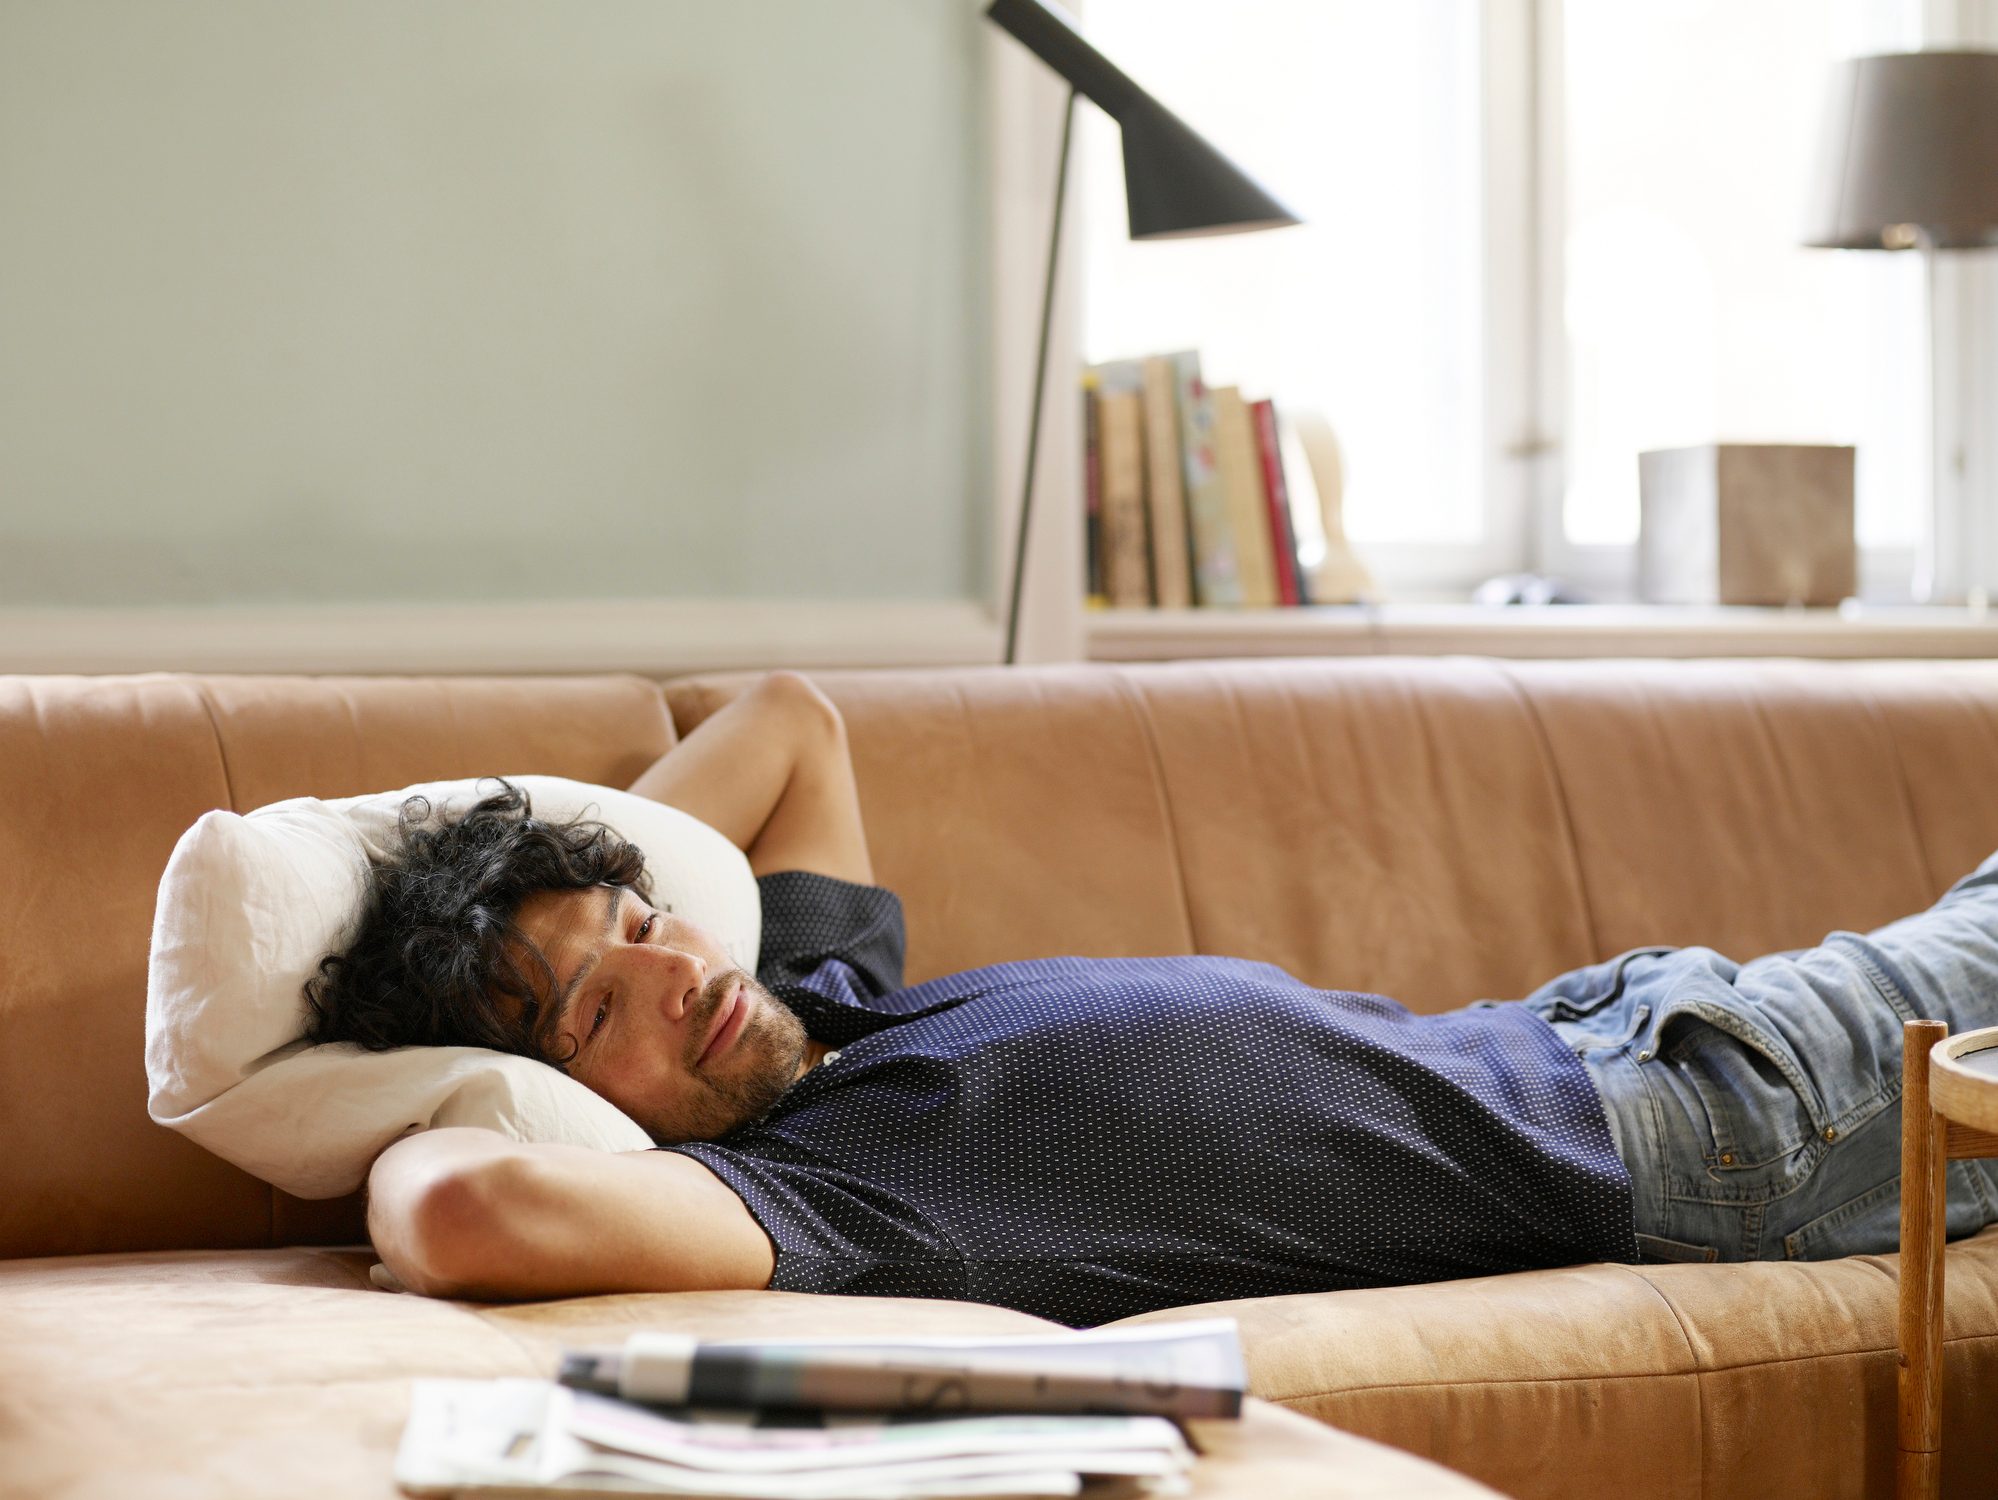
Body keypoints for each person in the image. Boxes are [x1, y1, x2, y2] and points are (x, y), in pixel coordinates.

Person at [316, 671, 1998, 1324]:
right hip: (1710, 1122)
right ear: (572, 1101)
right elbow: (470, 1211)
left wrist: (526, 877)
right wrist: (433, 1084)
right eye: (591, 1012)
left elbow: (789, 723)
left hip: (1628, 1026)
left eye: (640, 921)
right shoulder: (819, 1187)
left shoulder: (822, 1006)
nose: (670, 972)